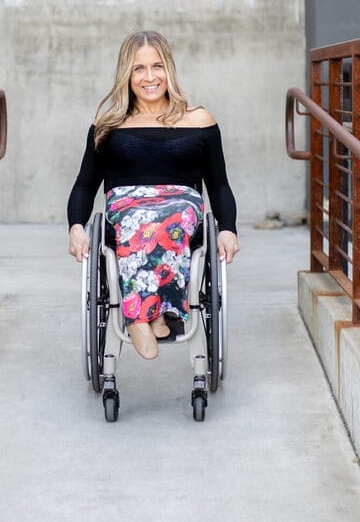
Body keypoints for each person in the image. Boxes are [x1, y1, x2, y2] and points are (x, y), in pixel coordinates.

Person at [67, 30, 239, 360]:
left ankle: (149, 315)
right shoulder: (108, 124)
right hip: (126, 208)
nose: (150, 77)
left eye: (157, 66)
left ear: (169, 69)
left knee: (173, 215)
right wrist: (76, 226)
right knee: (138, 219)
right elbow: (85, 185)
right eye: (139, 69)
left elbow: (219, 184)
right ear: (126, 75)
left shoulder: (199, 119)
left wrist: (228, 228)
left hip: (181, 208)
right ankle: (147, 316)